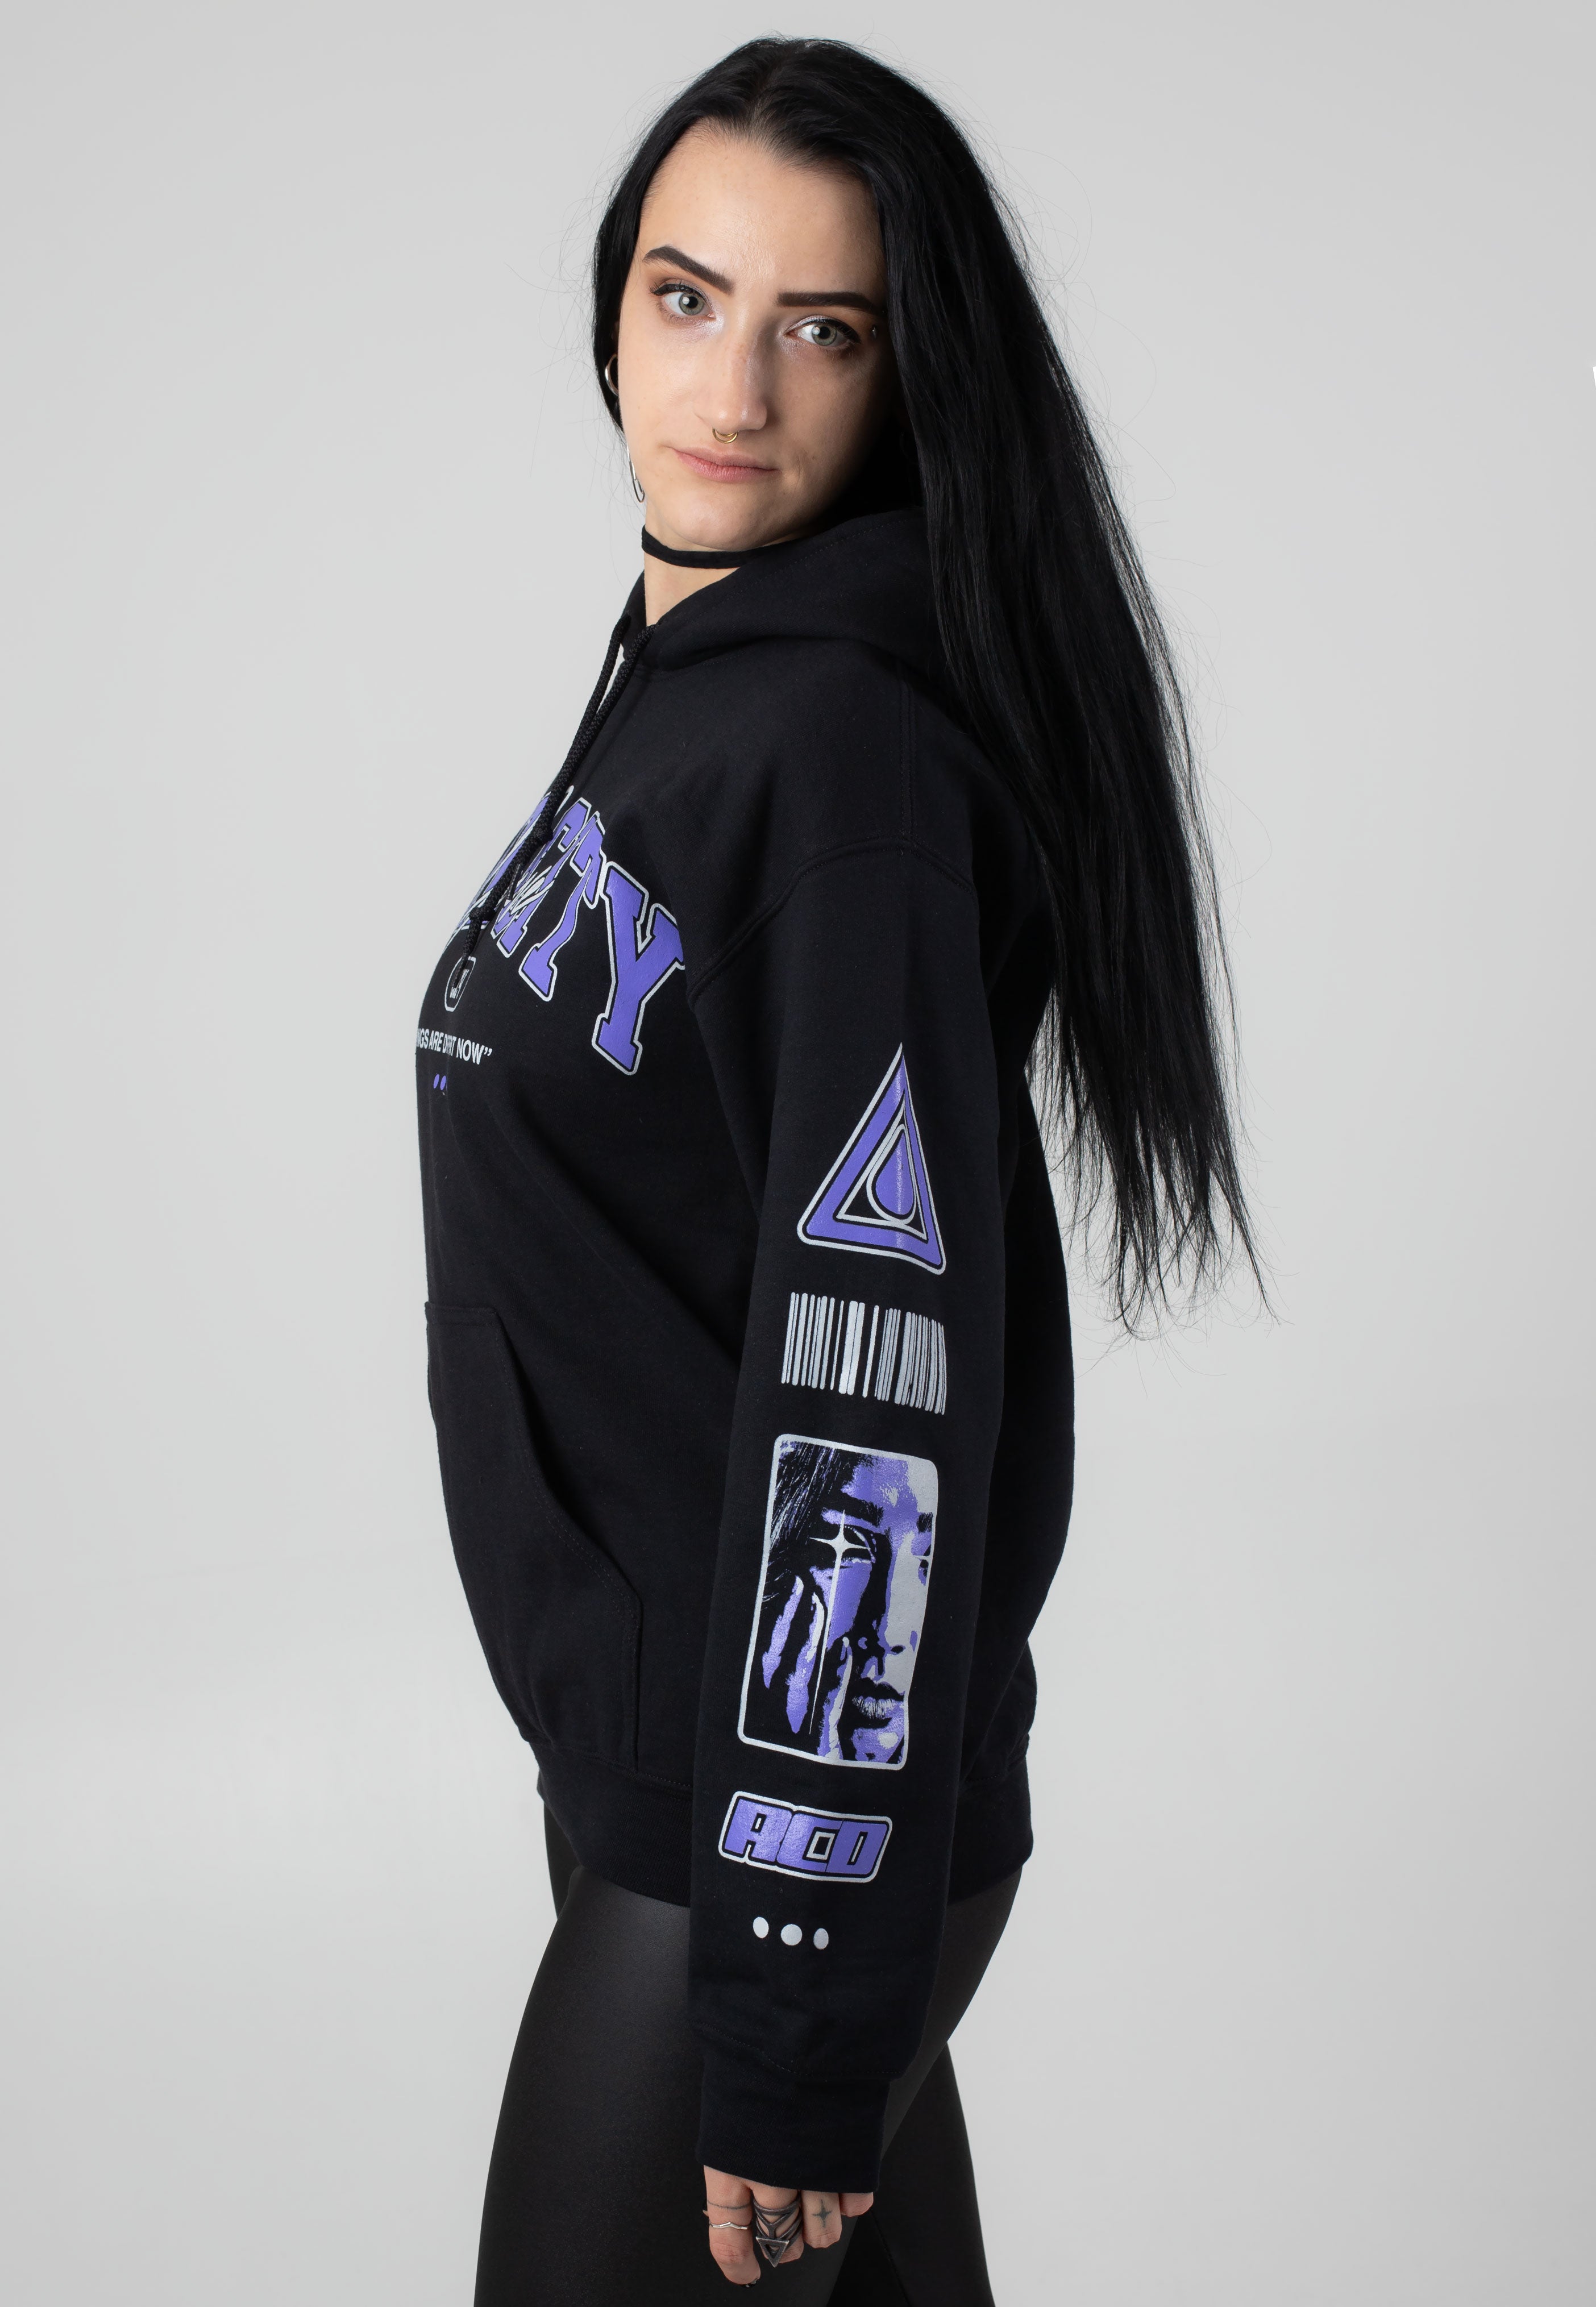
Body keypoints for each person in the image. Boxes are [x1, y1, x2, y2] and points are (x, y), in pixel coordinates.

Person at [415, 35, 1257, 2304]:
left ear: (906, 377)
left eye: (826, 328)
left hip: (758, 1843)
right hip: (708, 1797)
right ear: (612, 306)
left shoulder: (835, 747)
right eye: (689, 298)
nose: (735, 386)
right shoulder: (696, 679)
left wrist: (792, 1990)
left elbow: (871, 1375)